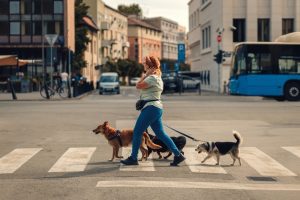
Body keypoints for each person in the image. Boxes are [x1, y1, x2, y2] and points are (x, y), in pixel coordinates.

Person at [121, 56, 186, 166]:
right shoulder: (157, 77)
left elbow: (138, 86)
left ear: (150, 65)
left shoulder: (152, 78)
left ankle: (133, 158)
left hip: (151, 108)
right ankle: (178, 155)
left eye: (144, 64)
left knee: (137, 131)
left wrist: (145, 75)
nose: (143, 66)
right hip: (155, 107)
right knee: (160, 134)